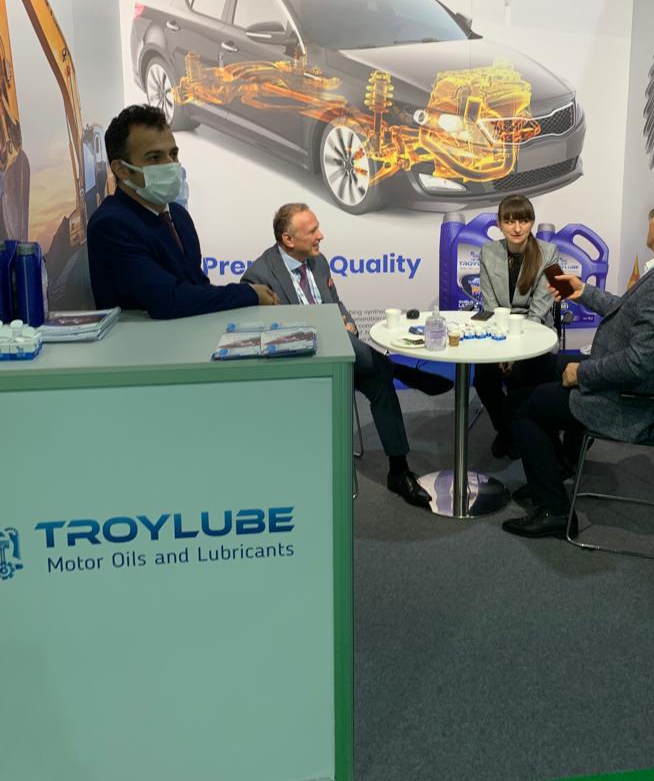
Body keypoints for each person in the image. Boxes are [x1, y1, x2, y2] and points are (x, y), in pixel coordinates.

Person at [501, 193, 654, 540]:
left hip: (630, 399)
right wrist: (582, 291)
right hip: (626, 378)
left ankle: (555, 511)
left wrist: (582, 374)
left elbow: (638, 364)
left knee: (518, 407)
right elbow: (630, 312)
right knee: (535, 368)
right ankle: (555, 465)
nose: (650, 219)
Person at [242, 203, 453, 509]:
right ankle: (398, 369)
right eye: (312, 231)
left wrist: (349, 324)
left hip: (340, 355)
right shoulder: (259, 276)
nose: (321, 236)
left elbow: (336, 302)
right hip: (299, 365)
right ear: (288, 239)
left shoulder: (318, 261)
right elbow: (267, 334)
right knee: (360, 357)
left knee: (380, 385)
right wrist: (325, 329)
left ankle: (398, 471)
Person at [87, 105, 278, 318]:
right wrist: (248, 294)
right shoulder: (111, 224)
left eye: (173, 154)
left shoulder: (178, 215)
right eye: (154, 158)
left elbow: (197, 286)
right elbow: (167, 299)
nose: (170, 165)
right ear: (121, 169)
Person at [474, 194, 558, 459]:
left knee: (520, 376)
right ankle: (506, 430)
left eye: (524, 220)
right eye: (510, 221)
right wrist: (502, 348)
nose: (518, 228)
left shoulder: (548, 252)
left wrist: (514, 352)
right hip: (498, 326)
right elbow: (489, 304)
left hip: (534, 329)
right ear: (499, 224)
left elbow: (539, 309)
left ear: (532, 222)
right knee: (483, 378)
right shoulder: (488, 252)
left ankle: (529, 432)